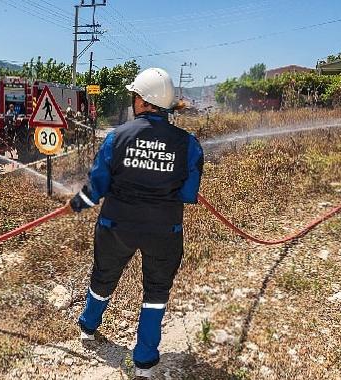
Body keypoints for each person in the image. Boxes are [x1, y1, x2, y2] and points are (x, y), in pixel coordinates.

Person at [65, 68, 204, 379]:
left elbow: (97, 186)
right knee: (156, 292)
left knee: (103, 278)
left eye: (134, 95)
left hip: (116, 226)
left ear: (142, 101)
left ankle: (88, 327)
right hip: (164, 231)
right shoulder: (189, 144)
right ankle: (144, 361)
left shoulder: (117, 137)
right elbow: (188, 193)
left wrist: (76, 203)